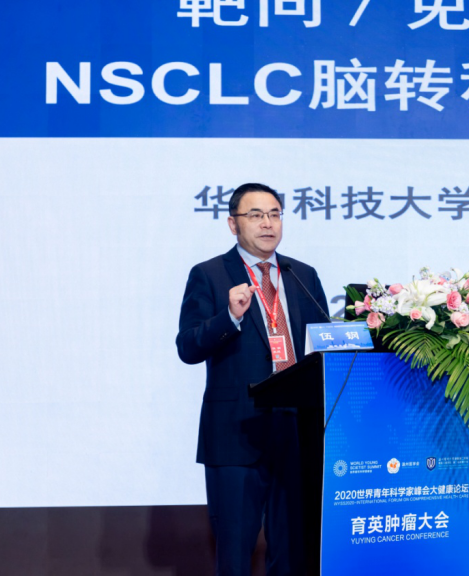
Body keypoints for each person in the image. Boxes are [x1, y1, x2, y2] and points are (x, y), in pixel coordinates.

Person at [176, 183, 329, 575]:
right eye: (256, 215)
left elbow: (323, 346)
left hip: (296, 432)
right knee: (234, 555)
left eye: (275, 214)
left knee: (293, 555)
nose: (267, 224)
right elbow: (188, 347)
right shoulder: (209, 274)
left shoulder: (302, 275)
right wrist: (229, 317)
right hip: (236, 434)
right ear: (233, 224)